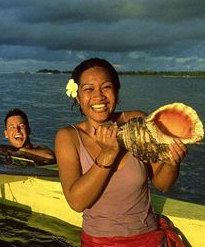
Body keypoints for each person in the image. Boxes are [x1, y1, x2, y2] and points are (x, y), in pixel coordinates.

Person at [54, 58, 186, 246]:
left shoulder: (138, 121)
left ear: (116, 91)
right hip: (99, 242)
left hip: (149, 238)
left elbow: (161, 183)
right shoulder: (68, 137)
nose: (98, 96)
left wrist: (172, 162)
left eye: (106, 87)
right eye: (88, 89)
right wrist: (108, 154)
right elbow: (76, 202)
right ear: (77, 96)